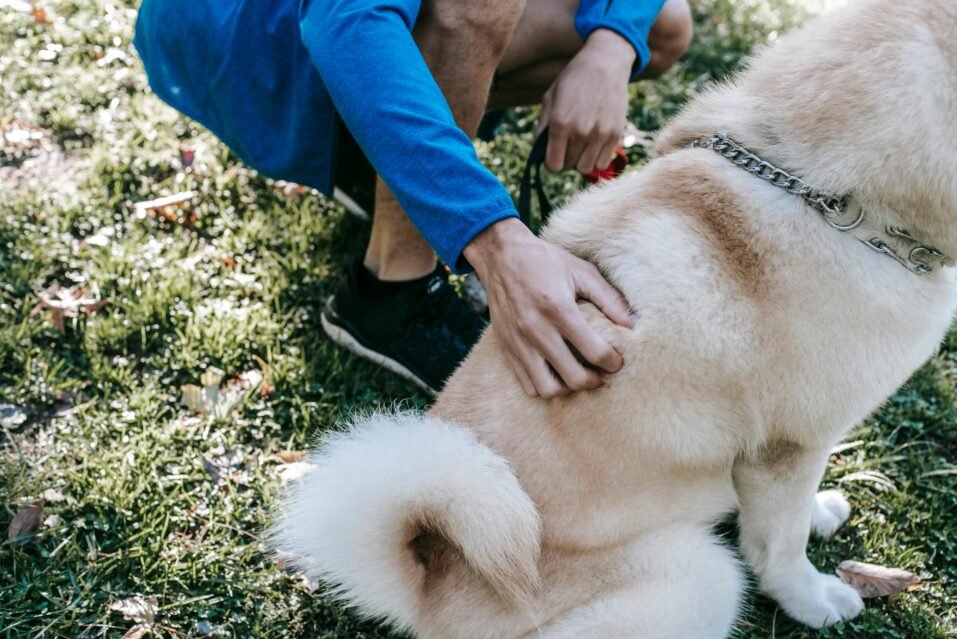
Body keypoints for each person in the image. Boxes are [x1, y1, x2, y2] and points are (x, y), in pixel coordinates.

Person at [134, 0, 692, 396]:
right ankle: (389, 292)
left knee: (659, 24)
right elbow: (347, 21)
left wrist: (612, 46)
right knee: (476, 5)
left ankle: (377, 163)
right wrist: (498, 244)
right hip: (244, 32)